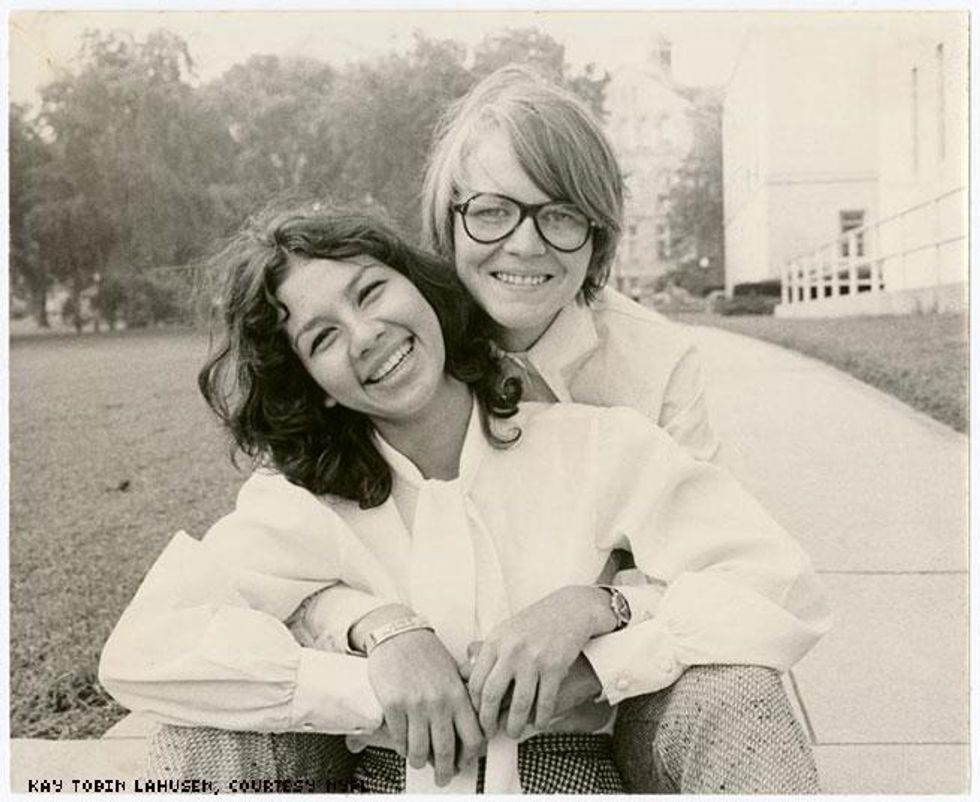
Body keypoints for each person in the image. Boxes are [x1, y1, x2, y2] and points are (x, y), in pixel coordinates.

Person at [100, 206, 830, 794]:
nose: (366, 336)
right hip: (382, 777)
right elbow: (146, 649)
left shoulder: (598, 447)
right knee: (201, 732)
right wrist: (375, 657)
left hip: (572, 771)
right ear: (314, 382)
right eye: (324, 337)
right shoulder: (303, 500)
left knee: (737, 691)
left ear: (421, 285)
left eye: (370, 291)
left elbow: (781, 586)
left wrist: (601, 622)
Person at [301, 65, 823, 792]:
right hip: (398, 723)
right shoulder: (388, 342)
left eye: (560, 214)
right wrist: (378, 626)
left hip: (605, 711)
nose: (525, 245)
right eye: (491, 211)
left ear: (597, 231)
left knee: (740, 690)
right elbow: (281, 550)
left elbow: (728, 575)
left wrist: (597, 614)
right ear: (447, 217)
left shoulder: (655, 364)